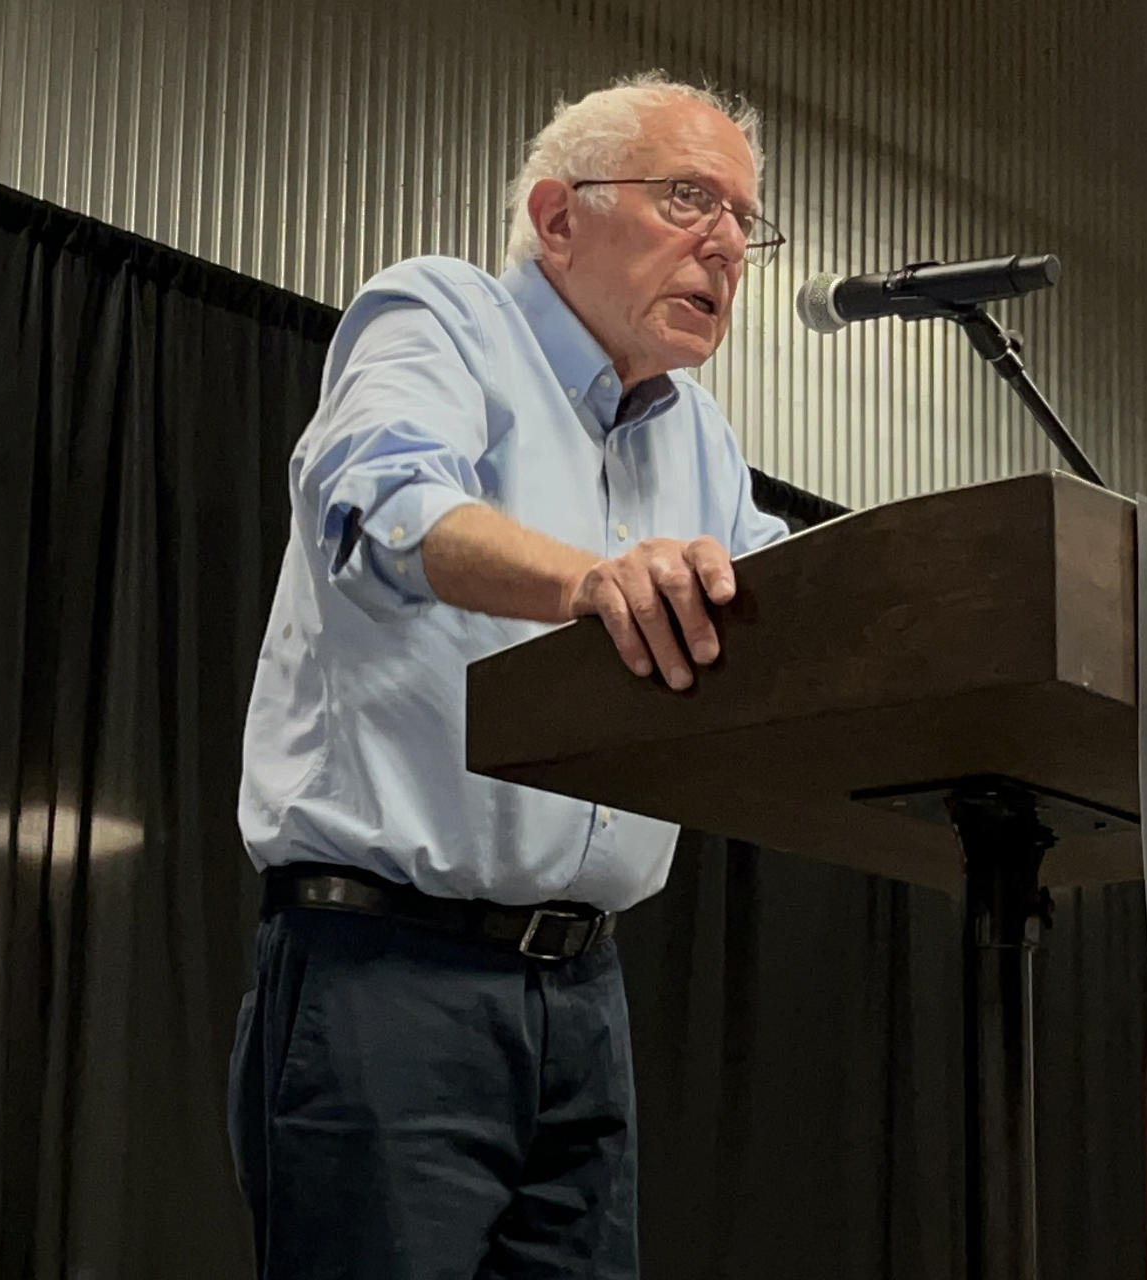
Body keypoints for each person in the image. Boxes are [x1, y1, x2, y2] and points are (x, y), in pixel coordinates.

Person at [227, 71, 789, 1279]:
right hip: (388, 974)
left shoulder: (699, 436)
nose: (729, 245)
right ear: (557, 217)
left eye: (747, 219)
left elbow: (793, 605)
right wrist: (592, 583)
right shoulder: (439, 318)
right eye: (691, 197)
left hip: (584, 992)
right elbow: (383, 502)